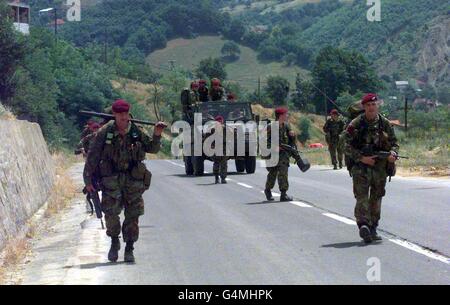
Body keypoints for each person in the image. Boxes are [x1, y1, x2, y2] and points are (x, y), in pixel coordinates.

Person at [83, 99, 167, 263]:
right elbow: (92, 157)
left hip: (133, 180)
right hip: (111, 180)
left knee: (133, 215)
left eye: (125, 114)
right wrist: (87, 180)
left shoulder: (136, 131)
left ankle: (129, 247)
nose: (123, 117)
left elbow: (152, 148)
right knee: (111, 214)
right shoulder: (104, 132)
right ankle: (114, 242)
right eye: (119, 114)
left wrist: (157, 134)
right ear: (114, 115)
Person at [344, 93, 399, 244]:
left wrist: (393, 154)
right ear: (364, 107)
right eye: (368, 105)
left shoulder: (384, 123)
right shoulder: (355, 124)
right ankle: (363, 225)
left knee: (376, 197)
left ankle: (373, 227)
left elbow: (394, 143)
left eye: (373, 105)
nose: (371, 108)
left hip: (379, 168)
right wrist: (362, 158)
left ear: (377, 106)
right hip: (361, 166)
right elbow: (346, 145)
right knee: (361, 197)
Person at [264, 107, 295, 202]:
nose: (287, 116)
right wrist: (274, 148)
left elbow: (291, 141)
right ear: (280, 116)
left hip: (284, 155)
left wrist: (293, 135)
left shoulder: (286, 126)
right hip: (273, 154)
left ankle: (283, 194)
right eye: (285, 114)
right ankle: (268, 190)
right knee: (273, 173)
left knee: (283, 173)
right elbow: (266, 142)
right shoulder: (271, 126)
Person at [211, 116, 228, 184]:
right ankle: (218, 178)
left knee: (221, 163)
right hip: (218, 148)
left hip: (223, 148)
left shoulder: (225, 129)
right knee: (219, 163)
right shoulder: (213, 130)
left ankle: (220, 178)